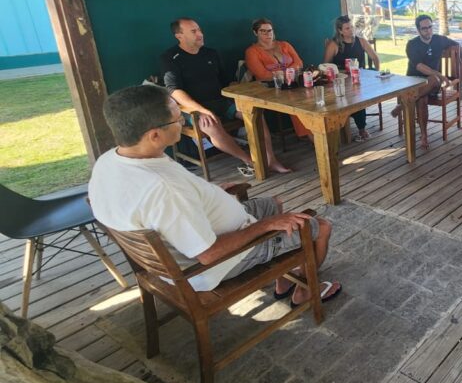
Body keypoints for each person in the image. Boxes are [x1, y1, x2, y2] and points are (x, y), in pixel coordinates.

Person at [89, 85, 342, 305]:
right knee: (319, 226)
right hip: (218, 264)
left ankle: (283, 282)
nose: (184, 121)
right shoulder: (163, 190)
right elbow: (208, 254)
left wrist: (208, 195)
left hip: (204, 231)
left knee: (273, 203)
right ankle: (305, 291)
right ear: (154, 135)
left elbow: (173, 202)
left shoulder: (110, 160)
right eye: (178, 119)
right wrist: (265, 226)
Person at [160, 18, 290, 175]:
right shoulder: (170, 57)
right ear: (179, 35)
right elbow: (174, 91)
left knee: (254, 114)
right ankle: (251, 161)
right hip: (193, 108)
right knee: (211, 123)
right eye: (194, 31)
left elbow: (227, 83)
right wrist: (201, 110)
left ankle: (271, 161)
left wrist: (240, 91)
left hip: (221, 101)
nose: (200, 34)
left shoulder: (211, 53)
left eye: (199, 30)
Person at [400, 14, 462, 150]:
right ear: (418, 30)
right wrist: (440, 75)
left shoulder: (439, 40)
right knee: (422, 99)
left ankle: (405, 103)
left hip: (432, 83)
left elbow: (458, 45)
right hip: (414, 82)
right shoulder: (412, 44)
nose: (428, 31)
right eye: (424, 28)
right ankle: (424, 135)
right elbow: (419, 66)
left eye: (430, 27)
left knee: (433, 80)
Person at [243, 17, 310, 140]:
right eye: (263, 31)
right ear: (255, 33)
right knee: (296, 100)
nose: (268, 34)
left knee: (312, 94)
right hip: (271, 87)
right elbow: (262, 74)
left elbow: (299, 62)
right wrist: (287, 73)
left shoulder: (284, 45)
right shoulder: (252, 51)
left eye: (270, 30)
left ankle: (319, 130)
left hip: (293, 82)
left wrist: (284, 73)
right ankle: (311, 136)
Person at [324, 15, 381, 141]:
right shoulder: (333, 45)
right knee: (351, 96)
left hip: (359, 78)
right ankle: (349, 127)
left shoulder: (361, 41)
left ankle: (361, 128)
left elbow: (375, 57)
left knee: (357, 95)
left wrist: (376, 73)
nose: (351, 30)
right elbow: (326, 66)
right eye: (347, 28)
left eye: (351, 27)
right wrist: (338, 73)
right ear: (340, 31)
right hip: (340, 81)